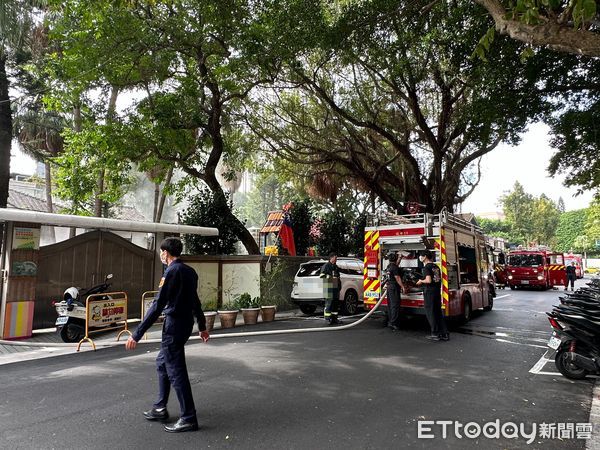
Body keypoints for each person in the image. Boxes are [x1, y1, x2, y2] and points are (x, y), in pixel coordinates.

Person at [125, 237, 210, 433]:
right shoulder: (190, 272)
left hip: (173, 326)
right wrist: (202, 326)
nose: (161, 255)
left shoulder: (171, 271)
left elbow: (158, 304)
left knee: (176, 371)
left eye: (162, 252)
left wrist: (136, 334)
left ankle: (188, 417)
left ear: (166, 252)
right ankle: (160, 407)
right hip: (185, 324)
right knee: (162, 363)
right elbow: (195, 300)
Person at [416, 250, 449, 342]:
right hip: (436, 291)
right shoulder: (436, 266)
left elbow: (429, 280)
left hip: (429, 292)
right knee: (438, 312)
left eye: (421, 256)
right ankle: (444, 333)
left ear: (425, 256)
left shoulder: (426, 267)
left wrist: (421, 281)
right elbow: (438, 279)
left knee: (431, 313)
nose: (420, 257)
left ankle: (435, 333)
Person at [385, 252, 408, 331]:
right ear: (395, 259)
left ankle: (391, 321)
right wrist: (403, 287)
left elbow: (396, 266)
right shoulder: (394, 267)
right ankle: (394, 324)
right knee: (395, 305)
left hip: (389, 287)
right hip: (394, 287)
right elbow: (397, 278)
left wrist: (400, 258)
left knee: (391, 305)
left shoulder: (389, 266)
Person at [320, 252, 342, 325]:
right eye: (335, 258)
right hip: (328, 286)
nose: (336, 260)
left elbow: (338, 277)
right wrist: (331, 278)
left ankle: (334, 319)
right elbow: (322, 275)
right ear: (331, 258)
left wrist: (339, 286)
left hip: (335, 287)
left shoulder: (335, 266)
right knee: (329, 303)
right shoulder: (326, 266)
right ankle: (327, 319)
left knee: (335, 303)